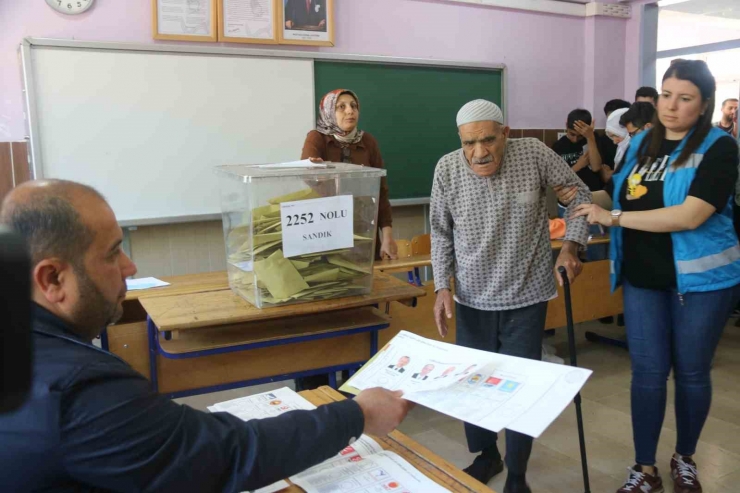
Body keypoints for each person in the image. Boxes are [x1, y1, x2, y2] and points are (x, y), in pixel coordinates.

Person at [0, 179, 412, 493]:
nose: (130, 265)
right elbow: (229, 455)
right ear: (52, 278)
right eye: (112, 253)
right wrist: (357, 413)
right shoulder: (81, 390)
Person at [571, 60, 740, 493]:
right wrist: (573, 195)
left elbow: (691, 214)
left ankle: (685, 457)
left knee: (691, 373)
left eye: (685, 99)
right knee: (646, 374)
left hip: (701, 283)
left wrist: (615, 218)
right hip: (644, 278)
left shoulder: (720, 147)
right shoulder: (641, 141)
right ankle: (643, 468)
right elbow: (619, 193)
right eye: (667, 95)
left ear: (703, 106)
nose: (672, 106)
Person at [431, 99, 590, 493]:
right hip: (471, 298)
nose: (479, 152)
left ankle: (517, 475)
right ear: (460, 140)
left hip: (526, 296)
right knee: (474, 387)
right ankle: (486, 454)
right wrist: (441, 286)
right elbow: (439, 231)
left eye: (488, 140)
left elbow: (579, 198)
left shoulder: (534, 153)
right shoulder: (447, 169)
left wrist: (571, 245)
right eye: (470, 143)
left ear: (506, 133)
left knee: (519, 389)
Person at [301, 89, 397, 261]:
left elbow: (381, 192)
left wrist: (387, 236)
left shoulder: (368, 142)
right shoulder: (317, 138)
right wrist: (314, 171)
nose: (349, 111)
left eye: (354, 106)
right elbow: (306, 174)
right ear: (329, 112)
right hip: (326, 230)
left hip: (363, 233)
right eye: (341, 107)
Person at [551, 109, 607, 192]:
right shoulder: (558, 146)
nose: (575, 139)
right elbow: (557, 180)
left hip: (593, 191)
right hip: (570, 193)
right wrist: (578, 166)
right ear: (566, 125)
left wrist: (590, 137)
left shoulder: (593, 139)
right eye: (572, 134)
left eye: (580, 136)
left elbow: (596, 167)